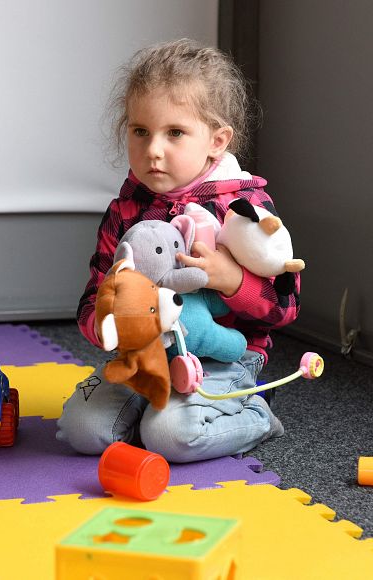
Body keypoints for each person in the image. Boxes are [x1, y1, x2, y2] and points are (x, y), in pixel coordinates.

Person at [56, 39, 299, 463]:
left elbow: (286, 306)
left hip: (225, 357)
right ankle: (149, 411)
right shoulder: (126, 209)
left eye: (175, 133)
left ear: (217, 141)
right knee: (83, 430)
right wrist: (111, 323)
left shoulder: (243, 212)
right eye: (140, 131)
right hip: (140, 356)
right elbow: (92, 294)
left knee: (170, 436)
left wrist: (232, 279)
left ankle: (256, 414)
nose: (153, 149)